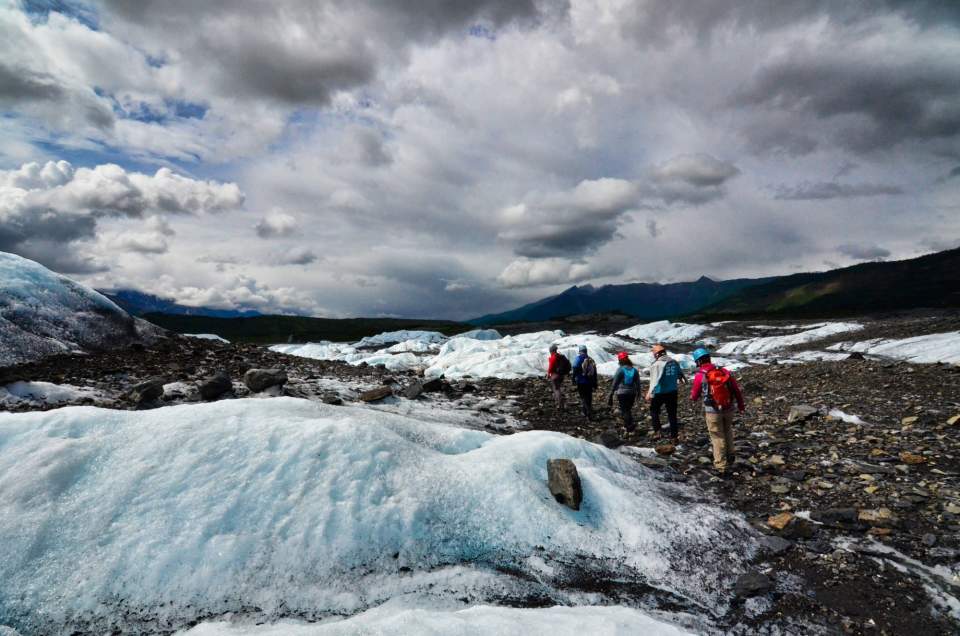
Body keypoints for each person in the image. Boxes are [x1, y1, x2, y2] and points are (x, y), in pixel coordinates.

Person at [689, 347, 745, 474]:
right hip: (728, 408)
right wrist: (741, 406)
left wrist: (692, 397)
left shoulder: (700, 375)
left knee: (717, 436)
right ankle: (731, 455)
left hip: (712, 411)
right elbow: (736, 390)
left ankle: (721, 465)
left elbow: (694, 396)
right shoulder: (723, 371)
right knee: (728, 431)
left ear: (698, 362)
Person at [645, 343, 685, 441]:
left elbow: (654, 380)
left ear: (657, 354)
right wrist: (681, 378)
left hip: (660, 392)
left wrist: (649, 393)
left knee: (654, 411)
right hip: (672, 391)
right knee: (672, 414)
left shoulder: (656, 364)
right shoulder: (674, 362)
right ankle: (674, 436)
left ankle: (657, 432)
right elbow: (679, 373)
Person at [607, 352, 641, 432]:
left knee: (625, 410)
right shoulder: (634, 370)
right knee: (628, 409)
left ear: (620, 360)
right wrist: (638, 393)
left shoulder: (620, 370)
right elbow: (638, 383)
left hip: (622, 392)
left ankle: (628, 427)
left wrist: (611, 393)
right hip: (632, 393)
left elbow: (615, 382)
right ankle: (629, 424)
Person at [571, 344, 598, 420]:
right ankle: (585, 411)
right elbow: (594, 372)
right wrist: (595, 383)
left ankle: (588, 412)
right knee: (589, 397)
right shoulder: (590, 359)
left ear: (580, 351)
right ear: (586, 351)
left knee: (583, 397)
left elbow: (575, 367)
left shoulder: (578, 358)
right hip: (590, 381)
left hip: (581, 381)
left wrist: (573, 378)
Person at [546, 343, 570, 410]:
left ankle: (560, 405)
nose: (550, 352)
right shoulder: (560, 356)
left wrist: (548, 374)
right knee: (558, 388)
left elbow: (550, 367)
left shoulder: (553, 357)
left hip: (555, 375)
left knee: (556, 390)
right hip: (561, 375)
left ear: (552, 351)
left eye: (550, 351)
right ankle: (561, 403)